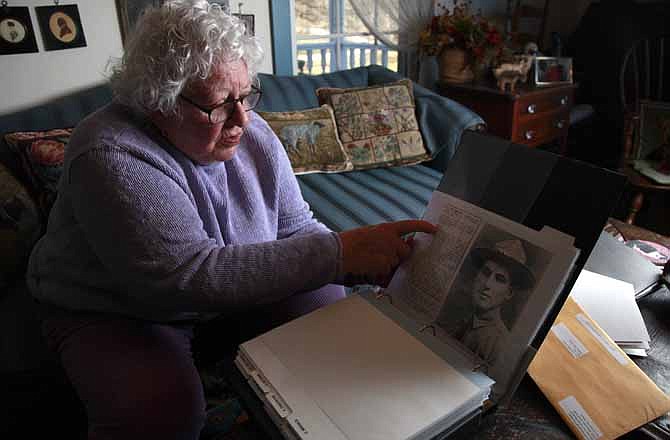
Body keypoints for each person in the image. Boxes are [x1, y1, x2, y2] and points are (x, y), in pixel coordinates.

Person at [25, 1, 436, 439]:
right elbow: (184, 276)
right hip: (119, 308)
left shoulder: (253, 133)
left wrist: (357, 262)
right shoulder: (108, 152)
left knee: (339, 330)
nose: (243, 119)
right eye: (219, 105)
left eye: (245, 96)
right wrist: (341, 253)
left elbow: (296, 229)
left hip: (233, 290)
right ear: (157, 102)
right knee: (163, 413)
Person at [446, 239, 535, 364]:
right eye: (485, 272)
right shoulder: (463, 322)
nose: (487, 284)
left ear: (509, 293)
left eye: (499, 279)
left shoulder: (499, 344)